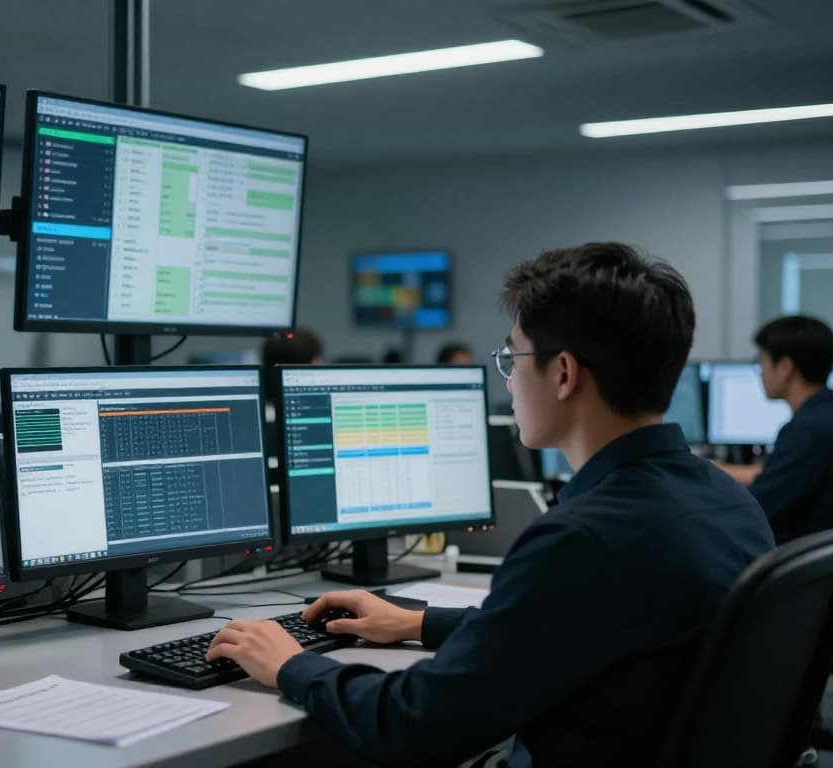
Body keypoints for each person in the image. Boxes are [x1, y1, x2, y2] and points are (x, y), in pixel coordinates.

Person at [205, 243, 774, 768]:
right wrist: (417, 622)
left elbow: (412, 725)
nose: (508, 377)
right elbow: (571, 627)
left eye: (513, 357)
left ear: (564, 373)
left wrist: (290, 664)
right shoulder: (725, 499)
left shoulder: (581, 540)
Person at [715, 316, 833, 542]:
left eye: (763, 361)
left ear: (785, 367)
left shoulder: (809, 430)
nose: (760, 372)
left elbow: (755, 508)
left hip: (800, 556)